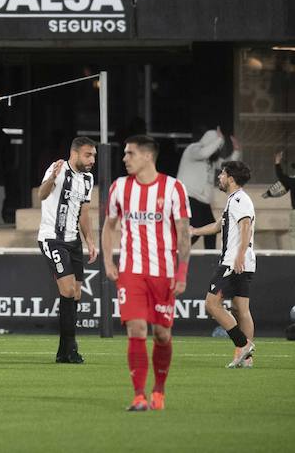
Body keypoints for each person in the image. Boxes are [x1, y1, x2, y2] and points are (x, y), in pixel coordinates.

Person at [102, 135, 191, 412]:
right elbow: (108, 226)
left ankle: (159, 391)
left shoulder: (174, 188)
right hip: (131, 271)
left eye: (130, 154)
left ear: (147, 156)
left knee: (162, 334)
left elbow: (184, 233)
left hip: (163, 273)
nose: (124, 158)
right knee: (136, 328)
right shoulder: (119, 187)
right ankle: (139, 395)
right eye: (125, 154)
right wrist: (108, 261)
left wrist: (182, 272)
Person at [190, 161, 258, 368]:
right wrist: (193, 231)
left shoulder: (239, 199)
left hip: (233, 262)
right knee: (240, 309)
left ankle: (243, 344)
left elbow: (245, 226)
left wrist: (238, 256)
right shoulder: (235, 200)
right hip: (243, 262)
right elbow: (218, 226)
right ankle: (246, 359)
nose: (219, 176)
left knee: (211, 304)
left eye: (222, 173)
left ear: (230, 178)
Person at [37, 138, 98, 364]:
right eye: (87, 155)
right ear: (74, 153)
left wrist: (90, 241)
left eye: (93, 156)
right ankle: (71, 349)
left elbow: (83, 213)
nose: (92, 160)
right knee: (69, 290)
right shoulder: (57, 169)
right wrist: (52, 177)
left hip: (73, 242)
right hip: (52, 239)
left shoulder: (87, 179)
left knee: (77, 294)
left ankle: (63, 351)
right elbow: (41, 196)